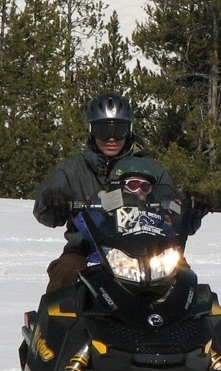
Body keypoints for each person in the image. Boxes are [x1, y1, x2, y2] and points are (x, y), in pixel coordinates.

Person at [33, 93, 209, 293]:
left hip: (150, 247)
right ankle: (57, 314)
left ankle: (198, 313)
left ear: (130, 130)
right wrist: (52, 202)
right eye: (103, 131)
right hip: (87, 248)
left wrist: (192, 210)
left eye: (119, 130)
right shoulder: (72, 170)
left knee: (183, 278)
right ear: (91, 131)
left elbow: (175, 214)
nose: (111, 138)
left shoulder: (151, 171)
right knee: (66, 272)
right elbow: (45, 214)